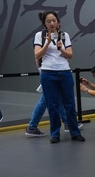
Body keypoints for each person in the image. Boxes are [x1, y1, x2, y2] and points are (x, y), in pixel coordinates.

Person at [34, 11, 84, 144]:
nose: (51, 23)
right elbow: (37, 55)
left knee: (69, 104)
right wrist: (47, 43)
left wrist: (60, 48)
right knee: (52, 105)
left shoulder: (64, 35)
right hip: (48, 72)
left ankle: (75, 132)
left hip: (64, 71)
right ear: (44, 23)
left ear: (58, 22)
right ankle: (55, 134)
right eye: (48, 21)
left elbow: (70, 55)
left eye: (54, 20)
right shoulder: (40, 35)